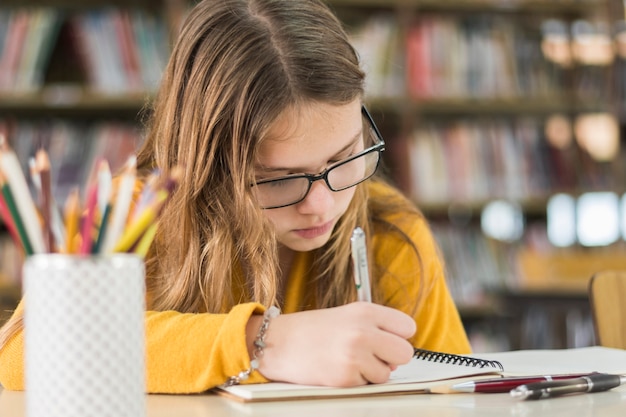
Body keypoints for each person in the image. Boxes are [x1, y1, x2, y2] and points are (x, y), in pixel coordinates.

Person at [0, 0, 470, 393]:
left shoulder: (392, 232)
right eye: (281, 179)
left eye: (345, 158)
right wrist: (264, 342)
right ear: (206, 166)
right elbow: (23, 353)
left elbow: (457, 392)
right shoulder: (134, 213)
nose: (322, 204)